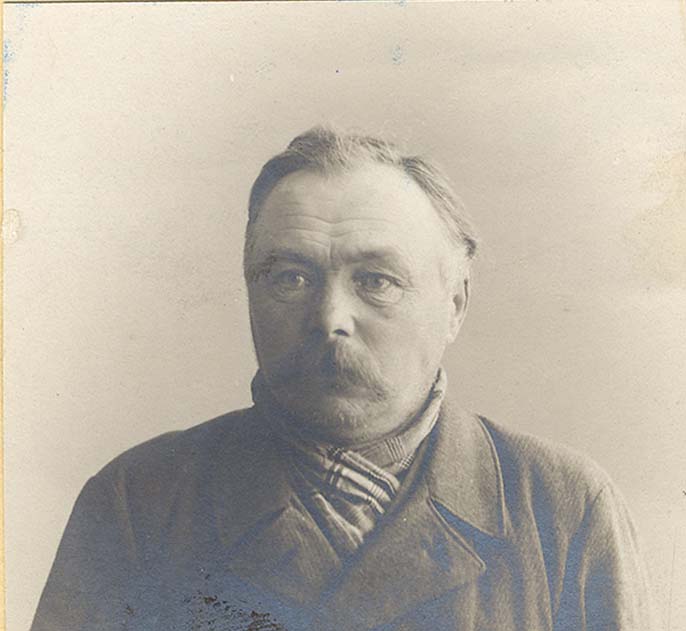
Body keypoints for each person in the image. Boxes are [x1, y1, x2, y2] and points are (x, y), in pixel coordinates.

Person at [32, 127, 655, 631]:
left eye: (377, 281)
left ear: (455, 304)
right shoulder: (137, 503)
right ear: (250, 294)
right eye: (291, 278)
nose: (330, 319)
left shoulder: (564, 508)